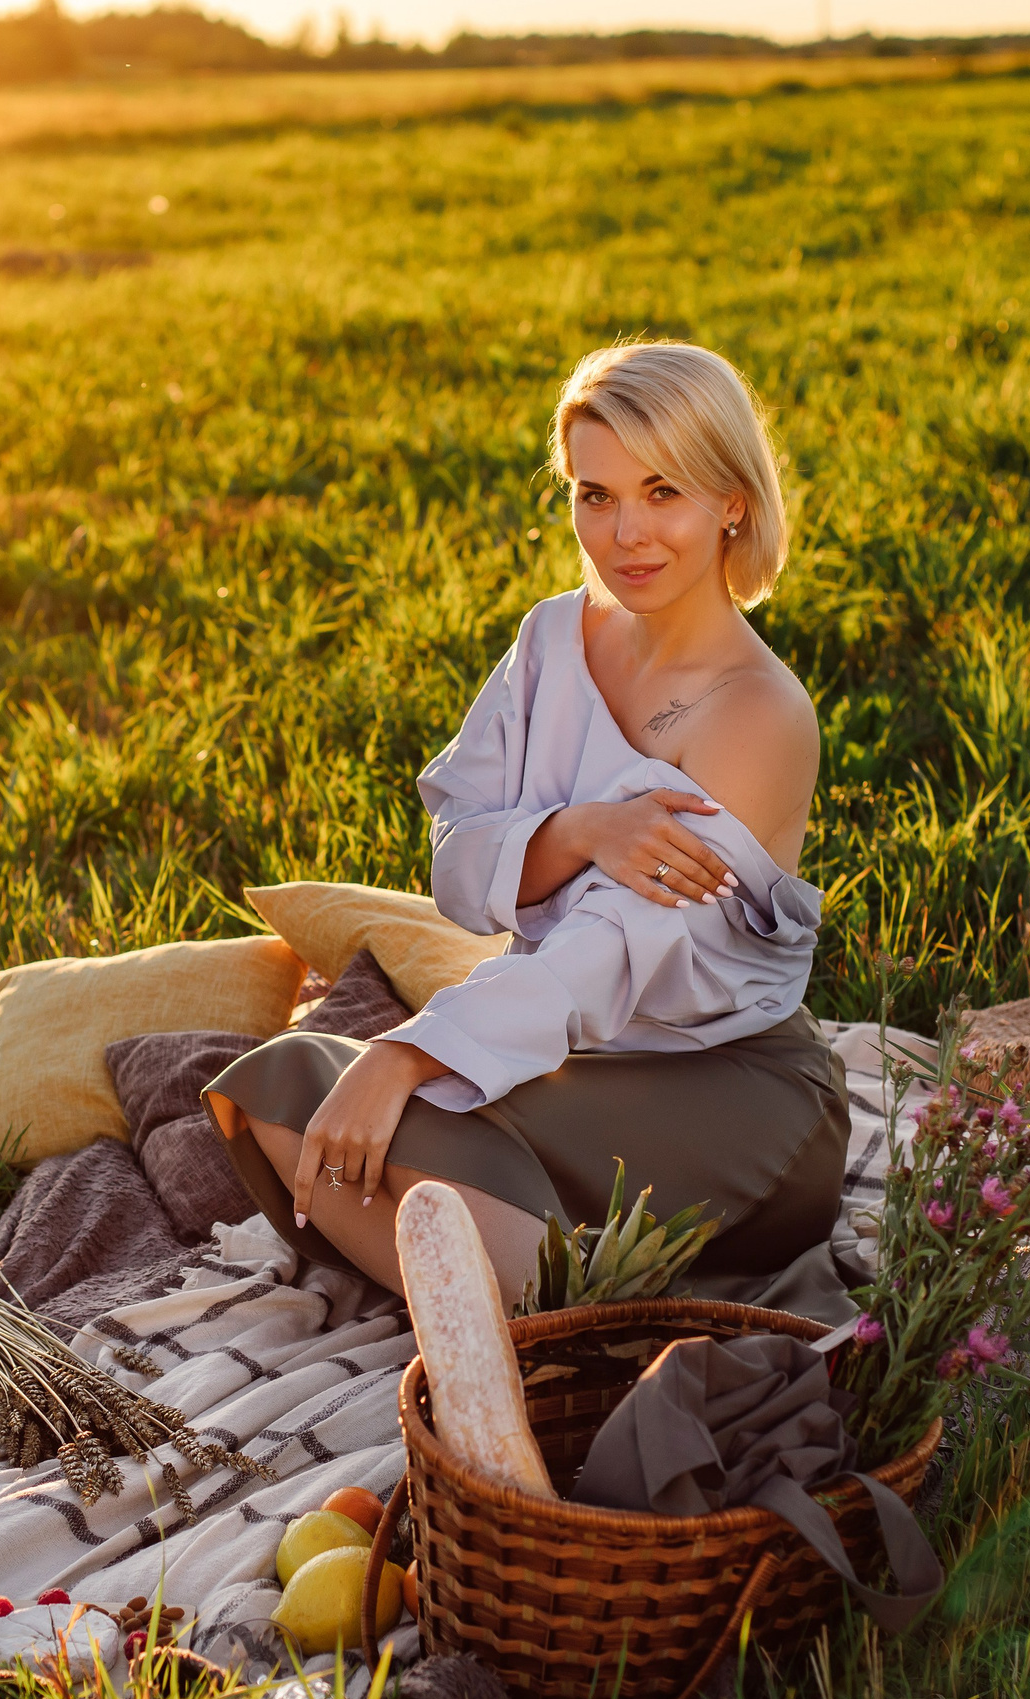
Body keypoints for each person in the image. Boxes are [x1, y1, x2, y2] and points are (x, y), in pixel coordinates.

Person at [203, 341, 853, 1323]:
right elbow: (457, 862)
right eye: (594, 495)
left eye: (662, 490)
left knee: (384, 1115)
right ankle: (538, 1297)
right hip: (570, 1062)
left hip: (728, 1092)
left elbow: (600, 957)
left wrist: (408, 1054)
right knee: (279, 1087)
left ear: (732, 501)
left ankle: (549, 1313)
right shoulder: (553, 640)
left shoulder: (757, 714)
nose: (625, 534)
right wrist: (583, 828)